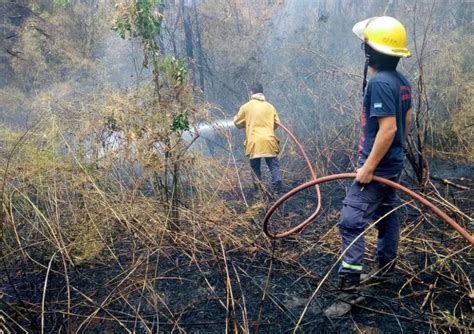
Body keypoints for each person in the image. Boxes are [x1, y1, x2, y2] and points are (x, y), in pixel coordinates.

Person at [324, 16, 413, 318]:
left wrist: (368, 167)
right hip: (393, 165)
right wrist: (394, 154)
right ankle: (386, 272)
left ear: (370, 52)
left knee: (351, 219)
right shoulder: (402, 82)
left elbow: (388, 129)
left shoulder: (378, 83)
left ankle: (349, 292)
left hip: (377, 169)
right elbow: (405, 124)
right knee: (386, 216)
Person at [234, 83, 283, 193]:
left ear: (251, 92)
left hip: (254, 142)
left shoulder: (246, 107)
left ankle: (259, 190)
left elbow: (237, 122)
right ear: (262, 92)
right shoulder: (270, 106)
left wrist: (248, 121)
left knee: (255, 167)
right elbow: (277, 123)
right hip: (269, 140)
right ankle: (277, 185)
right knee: (273, 165)